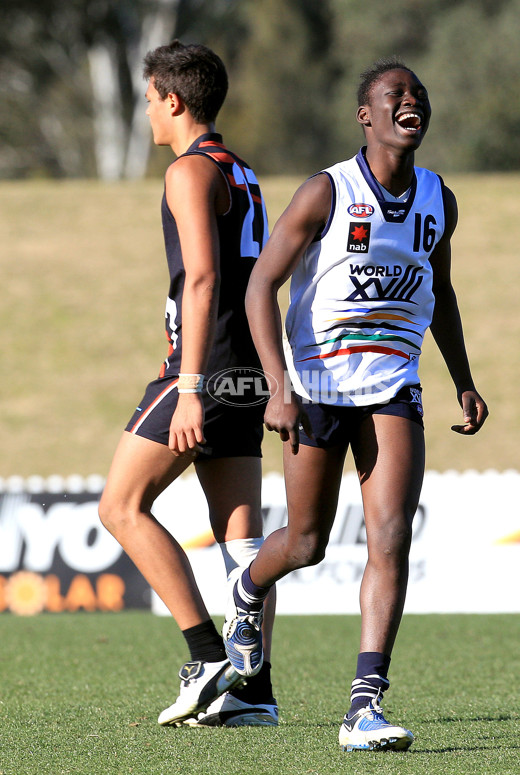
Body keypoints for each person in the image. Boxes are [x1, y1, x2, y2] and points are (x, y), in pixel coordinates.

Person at [223, 57, 488, 751]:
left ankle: (363, 707)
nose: (411, 101)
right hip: (315, 387)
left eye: (419, 93)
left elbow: (443, 292)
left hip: (395, 383)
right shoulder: (326, 192)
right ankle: (248, 589)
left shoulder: (439, 200)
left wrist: (462, 376)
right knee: (306, 542)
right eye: (394, 94)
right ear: (366, 116)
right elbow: (259, 288)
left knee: (390, 535)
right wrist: (277, 384)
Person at [98, 40, 277, 728]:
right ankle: (255, 693)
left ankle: (206, 657)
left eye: (148, 99)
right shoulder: (243, 171)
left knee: (120, 505)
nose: (146, 112)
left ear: (174, 101)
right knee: (242, 543)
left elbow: (201, 277)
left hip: (203, 370)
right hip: (250, 368)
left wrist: (193, 383)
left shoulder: (189, 172)